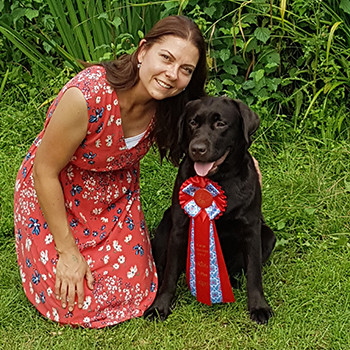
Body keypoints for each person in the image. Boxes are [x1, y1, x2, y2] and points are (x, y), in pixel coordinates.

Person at [14, 15, 207, 328]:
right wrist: (68, 253)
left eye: (186, 70)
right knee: (74, 298)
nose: (173, 75)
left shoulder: (172, 105)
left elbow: (205, 133)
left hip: (116, 196)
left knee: (134, 287)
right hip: (55, 190)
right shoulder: (87, 96)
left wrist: (241, 159)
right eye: (166, 58)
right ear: (143, 50)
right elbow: (44, 170)